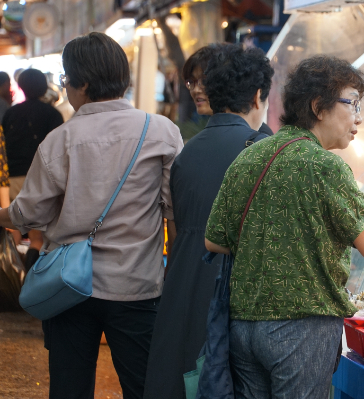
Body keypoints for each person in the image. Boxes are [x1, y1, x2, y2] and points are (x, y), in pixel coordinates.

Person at [204, 55, 364, 399]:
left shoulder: (250, 155)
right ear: (319, 107)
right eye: (352, 104)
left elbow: (214, 240)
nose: (359, 118)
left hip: (243, 328)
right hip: (301, 329)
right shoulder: (324, 166)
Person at [0, 32, 183, 399]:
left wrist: (3, 213)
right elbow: (173, 208)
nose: (66, 88)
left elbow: (30, 212)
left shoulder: (60, 140)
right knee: (144, 387)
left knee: (69, 387)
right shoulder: (161, 131)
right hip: (136, 285)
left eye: (66, 80)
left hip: (67, 286)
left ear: (81, 83)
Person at [143, 44, 273, 399]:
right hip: (233, 290)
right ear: (258, 95)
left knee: (182, 374)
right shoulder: (262, 148)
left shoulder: (188, 150)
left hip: (183, 280)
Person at [2, 68, 64, 269]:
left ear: (21, 87)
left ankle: (13, 271)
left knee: (13, 230)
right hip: (39, 179)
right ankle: (32, 277)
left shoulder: (11, 112)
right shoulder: (53, 114)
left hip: (12, 177)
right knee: (38, 237)